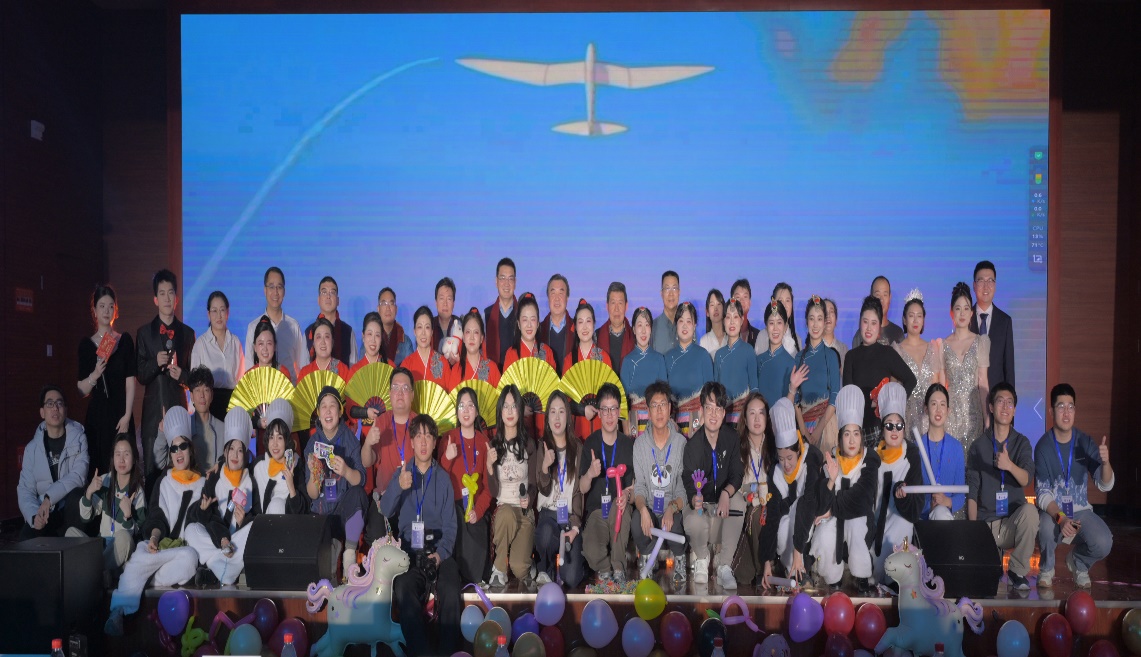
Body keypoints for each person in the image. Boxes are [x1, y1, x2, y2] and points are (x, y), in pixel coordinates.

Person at [105, 407, 203, 636]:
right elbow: (156, 516)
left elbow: (200, 524)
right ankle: (117, 612)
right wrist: (154, 538)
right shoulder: (163, 481)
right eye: (173, 448)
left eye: (182, 446)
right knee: (141, 554)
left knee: (189, 559)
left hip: (182, 551)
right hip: (158, 546)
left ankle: (138, 578)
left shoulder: (203, 483)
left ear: (190, 449)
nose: (178, 453)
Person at [382, 415, 462, 656]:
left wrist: (440, 555)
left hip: (438, 550)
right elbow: (385, 510)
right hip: (409, 551)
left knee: (451, 586)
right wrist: (398, 486)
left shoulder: (444, 479)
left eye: (428, 436)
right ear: (412, 442)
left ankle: (447, 652)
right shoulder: (402, 474)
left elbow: (451, 527)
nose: (424, 442)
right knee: (403, 588)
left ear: (435, 442)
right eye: (419, 436)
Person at [1035, 384, 1114, 589]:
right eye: (1061, 406)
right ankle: (1046, 569)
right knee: (1044, 526)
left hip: (1080, 514)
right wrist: (1061, 518)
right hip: (1055, 514)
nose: (1066, 412)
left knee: (1104, 541)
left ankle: (1078, 563)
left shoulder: (1085, 442)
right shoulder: (1043, 446)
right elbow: (1043, 493)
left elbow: (1104, 484)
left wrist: (1106, 463)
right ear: (1051, 411)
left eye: (1071, 407)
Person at [966, 383, 1036, 591]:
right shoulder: (978, 446)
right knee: (987, 582)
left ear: (1014, 410)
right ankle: (992, 561)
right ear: (990, 407)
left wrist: (1009, 465)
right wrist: (974, 530)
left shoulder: (1022, 443)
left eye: (1010, 403)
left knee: (1031, 512)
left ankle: (1017, 570)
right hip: (987, 524)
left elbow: (1026, 479)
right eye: (1000, 402)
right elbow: (972, 492)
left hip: (1013, 523)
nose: (1005, 407)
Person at [810, 385, 879, 593]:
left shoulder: (869, 460)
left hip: (860, 516)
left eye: (856, 434)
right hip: (833, 517)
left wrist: (833, 507)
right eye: (847, 434)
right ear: (840, 437)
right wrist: (831, 482)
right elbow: (821, 501)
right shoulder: (831, 460)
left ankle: (862, 574)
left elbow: (862, 497)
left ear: (861, 436)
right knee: (824, 534)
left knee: (856, 528)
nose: (851, 440)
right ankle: (833, 577)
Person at [683, 382, 745, 589]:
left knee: (739, 501)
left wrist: (726, 493)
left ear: (724, 413)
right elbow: (688, 481)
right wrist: (694, 498)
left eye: (718, 408)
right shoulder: (692, 445)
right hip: (702, 513)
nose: (713, 414)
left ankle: (724, 565)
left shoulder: (732, 438)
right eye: (709, 407)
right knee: (692, 517)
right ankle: (702, 558)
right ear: (701, 410)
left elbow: (737, 474)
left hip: (722, 512)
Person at [759, 398, 825, 589]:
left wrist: (798, 552)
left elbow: (809, 502)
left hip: (815, 516)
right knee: (782, 526)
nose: (786, 464)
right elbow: (772, 515)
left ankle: (804, 566)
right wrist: (766, 561)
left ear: (798, 450)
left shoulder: (810, 459)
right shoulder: (776, 472)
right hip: (790, 522)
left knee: (801, 508)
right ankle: (791, 569)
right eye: (781, 459)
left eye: (789, 457)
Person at [184, 408, 255, 586]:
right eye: (231, 449)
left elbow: (255, 515)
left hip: (237, 542)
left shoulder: (251, 481)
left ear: (245, 454)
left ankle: (216, 571)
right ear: (225, 452)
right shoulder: (214, 478)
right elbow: (206, 519)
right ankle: (227, 570)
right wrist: (221, 538)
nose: (235, 455)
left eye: (240, 450)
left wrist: (243, 521)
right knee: (191, 530)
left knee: (253, 527)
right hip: (216, 540)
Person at [136, 269, 195, 481]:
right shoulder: (144, 333)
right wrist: (155, 363)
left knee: (181, 472)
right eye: (162, 293)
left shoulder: (187, 334)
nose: (167, 298)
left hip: (178, 409)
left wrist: (182, 376)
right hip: (153, 415)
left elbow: (193, 378)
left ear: (177, 298)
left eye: (171, 293)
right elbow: (140, 375)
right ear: (155, 299)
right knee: (152, 474)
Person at [303, 386, 367, 578]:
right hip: (321, 514)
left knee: (358, 494)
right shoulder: (312, 444)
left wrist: (346, 471)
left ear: (340, 412)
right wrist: (315, 475)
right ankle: (333, 551)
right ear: (318, 413)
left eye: (333, 406)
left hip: (343, 513)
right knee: (322, 569)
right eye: (323, 406)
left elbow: (361, 479)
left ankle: (349, 552)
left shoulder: (350, 440)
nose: (328, 411)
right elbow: (312, 494)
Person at [578, 383, 635, 585]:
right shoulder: (590, 443)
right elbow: (582, 488)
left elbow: (634, 487)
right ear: (599, 413)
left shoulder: (628, 445)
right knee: (591, 551)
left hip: (619, 507)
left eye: (613, 409)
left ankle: (619, 568)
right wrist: (590, 474)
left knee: (621, 509)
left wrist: (627, 495)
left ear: (619, 411)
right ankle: (605, 568)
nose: (610, 415)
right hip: (597, 511)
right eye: (605, 409)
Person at [842, 295, 917, 448]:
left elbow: (911, 380)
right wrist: (869, 400)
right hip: (857, 431)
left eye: (874, 323)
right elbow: (849, 396)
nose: (869, 328)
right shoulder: (851, 356)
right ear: (860, 323)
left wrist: (893, 404)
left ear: (879, 326)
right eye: (865, 322)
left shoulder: (887, 353)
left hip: (882, 432)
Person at [632, 381, 688, 583]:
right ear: (647, 411)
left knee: (677, 523)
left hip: (671, 510)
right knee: (636, 522)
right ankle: (648, 556)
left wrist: (671, 509)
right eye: (654, 406)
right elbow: (639, 487)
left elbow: (683, 489)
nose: (659, 411)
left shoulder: (681, 443)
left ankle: (679, 558)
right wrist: (642, 509)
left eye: (663, 404)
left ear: (670, 408)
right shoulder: (639, 445)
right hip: (650, 508)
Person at [71, 433, 146, 581]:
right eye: (118, 454)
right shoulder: (105, 480)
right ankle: (104, 572)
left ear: (134, 459)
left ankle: (93, 572)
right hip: (101, 544)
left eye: (126, 454)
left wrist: (128, 515)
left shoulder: (137, 491)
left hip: (120, 547)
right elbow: (85, 517)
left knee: (124, 538)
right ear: (113, 458)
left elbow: (136, 531)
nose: (122, 459)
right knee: (71, 533)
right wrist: (89, 493)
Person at [78, 284, 136, 475]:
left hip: (121, 413)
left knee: (124, 467)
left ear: (115, 311)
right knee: (100, 467)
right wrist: (95, 374)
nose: (106, 311)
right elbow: (81, 389)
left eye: (111, 306)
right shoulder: (87, 345)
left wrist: (127, 415)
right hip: (98, 416)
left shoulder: (124, 341)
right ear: (94, 311)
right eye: (102, 306)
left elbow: (130, 381)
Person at [870, 382, 924, 584]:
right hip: (873, 527)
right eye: (889, 425)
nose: (894, 430)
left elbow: (915, 510)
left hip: (900, 523)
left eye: (899, 425)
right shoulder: (872, 457)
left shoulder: (912, 455)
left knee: (903, 524)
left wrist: (903, 498)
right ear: (882, 428)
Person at [18, 385, 89, 539]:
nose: (55, 408)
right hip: (45, 512)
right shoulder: (32, 449)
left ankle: (74, 546)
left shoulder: (79, 438)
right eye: (50, 404)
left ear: (66, 410)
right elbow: (25, 490)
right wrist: (34, 517)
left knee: (77, 495)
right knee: (24, 540)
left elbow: (79, 476)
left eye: (59, 403)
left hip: (70, 511)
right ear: (42, 412)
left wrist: (49, 498)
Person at [439, 387, 493, 585]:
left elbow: (488, 488)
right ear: (456, 412)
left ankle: (474, 577)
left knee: (475, 526)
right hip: (451, 506)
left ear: (477, 411)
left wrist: (478, 511)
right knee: (456, 523)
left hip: (476, 506)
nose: (466, 410)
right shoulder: (448, 439)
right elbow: (437, 481)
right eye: (461, 406)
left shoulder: (484, 442)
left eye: (471, 405)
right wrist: (447, 459)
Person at [533, 391, 587, 587]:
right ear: (547, 418)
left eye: (561, 411)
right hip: (548, 515)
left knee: (572, 578)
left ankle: (579, 564)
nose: (557, 417)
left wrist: (575, 527)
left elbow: (578, 492)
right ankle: (543, 567)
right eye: (553, 412)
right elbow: (543, 490)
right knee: (546, 533)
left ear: (568, 417)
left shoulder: (578, 448)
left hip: (569, 517)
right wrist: (545, 468)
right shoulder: (542, 446)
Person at [486, 385, 537, 588]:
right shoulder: (494, 445)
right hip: (504, 511)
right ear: (500, 411)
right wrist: (489, 467)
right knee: (506, 513)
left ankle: (526, 562)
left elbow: (533, 483)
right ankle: (498, 569)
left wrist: (529, 498)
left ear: (520, 410)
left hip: (523, 512)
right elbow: (493, 492)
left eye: (514, 406)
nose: (509, 411)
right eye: (505, 406)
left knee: (519, 569)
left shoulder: (529, 444)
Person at [361, 367, 418, 544]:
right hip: (384, 498)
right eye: (395, 387)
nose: (400, 393)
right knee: (377, 542)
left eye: (405, 388)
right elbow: (366, 461)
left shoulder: (419, 424)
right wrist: (368, 443)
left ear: (412, 395)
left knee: (415, 544)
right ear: (389, 393)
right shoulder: (382, 421)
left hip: (412, 499)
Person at [730, 392, 773, 587]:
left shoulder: (774, 447)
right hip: (748, 508)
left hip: (772, 504)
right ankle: (763, 567)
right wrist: (750, 493)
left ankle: (764, 567)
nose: (757, 419)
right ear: (745, 419)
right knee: (743, 576)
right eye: (752, 413)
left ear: (767, 417)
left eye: (761, 413)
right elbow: (735, 484)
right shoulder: (737, 447)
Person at [943, 282, 990, 454]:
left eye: (966, 308)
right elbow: (941, 384)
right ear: (951, 312)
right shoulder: (943, 345)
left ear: (972, 313)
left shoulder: (980, 342)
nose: (962, 313)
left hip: (973, 416)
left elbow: (983, 382)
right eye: (958, 308)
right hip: (951, 417)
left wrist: (987, 417)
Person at [893, 290, 944, 436]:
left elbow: (936, 385)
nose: (915, 321)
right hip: (905, 419)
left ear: (924, 320)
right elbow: (894, 389)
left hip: (929, 419)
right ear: (904, 320)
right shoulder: (896, 350)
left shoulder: (932, 348)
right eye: (911, 316)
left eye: (919, 316)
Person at [154, 366, 224, 471]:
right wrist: (162, 433)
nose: (202, 396)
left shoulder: (223, 429)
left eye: (206, 390)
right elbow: (160, 463)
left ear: (212, 395)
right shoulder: (182, 427)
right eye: (197, 390)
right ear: (191, 396)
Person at [243, 267, 308, 380]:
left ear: (284, 291)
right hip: (261, 388)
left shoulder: (293, 326)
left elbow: (301, 365)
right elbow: (249, 366)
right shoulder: (253, 327)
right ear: (265, 290)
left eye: (279, 287)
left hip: (289, 388)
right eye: (271, 287)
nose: (276, 292)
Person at [795, 296, 841, 455]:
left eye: (820, 319)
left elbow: (834, 395)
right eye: (812, 319)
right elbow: (795, 399)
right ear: (806, 322)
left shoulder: (831, 356)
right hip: (803, 427)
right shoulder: (799, 357)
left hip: (827, 426)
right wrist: (804, 431)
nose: (815, 324)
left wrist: (818, 429)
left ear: (825, 322)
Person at [191, 290, 245, 419]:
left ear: (228, 313)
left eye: (222, 310)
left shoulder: (235, 342)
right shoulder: (201, 344)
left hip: (232, 404)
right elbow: (194, 382)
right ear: (208, 314)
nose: (219, 316)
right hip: (208, 405)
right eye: (214, 311)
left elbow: (241, 379)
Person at [665, 302, 713, 438]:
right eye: (681, 321)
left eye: (689, 321)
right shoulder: (668, 358)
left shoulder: (703, 356)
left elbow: (710, 396)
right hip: (673, 425)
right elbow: (664, 396)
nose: (685, 326)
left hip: (699, 423)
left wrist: (703, 423)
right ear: (676, 325)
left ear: (695, 325)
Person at [565, 299, 610, 439]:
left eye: (588, 321)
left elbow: (610, 396)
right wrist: (582, 409)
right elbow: (565, 399)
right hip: (576, 430)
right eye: (580, 322)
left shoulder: (604, 358)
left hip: (600, 428)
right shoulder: (569, 360)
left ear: (594, 324)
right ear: (575, 326)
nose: (584, 327)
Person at [918, 384, 965, 520]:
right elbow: (913, 497)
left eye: (942, 404)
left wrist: (947, 501)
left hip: (946, 518)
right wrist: (929, 505)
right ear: (926, 409)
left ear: (948, 410)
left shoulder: (956, 447)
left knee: (941, 514)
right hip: (921, 520)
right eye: (934, 404)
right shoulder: (917, 448)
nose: (938, 410)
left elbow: (961, 495)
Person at [620, 307, 667, 437]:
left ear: (651, 329)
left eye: (647, 325)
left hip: (656, 421)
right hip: (634, 424)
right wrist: (626, 431)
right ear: (634, 330)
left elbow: (664, 397)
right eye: (639, 325)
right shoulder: (627, 361)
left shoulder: (659, 359)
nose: (643, 330)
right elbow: (623, 402)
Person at [251, 414, 306, 516]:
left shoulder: (296, 465)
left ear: (286, 441)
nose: (275, 444)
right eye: (271, 437)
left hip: (288, 524)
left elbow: (301, 511)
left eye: (280, 438)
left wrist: (291, 486)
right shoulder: (259, 465)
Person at [970, 261, 1015, 388]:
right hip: (970, 394)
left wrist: (1010, 396)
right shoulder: (965, 319)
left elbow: (1008, 366)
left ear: (995, 285)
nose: (986, 286)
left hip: (997, 395)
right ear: (974, 285)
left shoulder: (1005, 321)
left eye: (990, 281)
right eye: (981, 281)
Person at [713, 299, 759, 424]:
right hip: (722, 419)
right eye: (728, 317)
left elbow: (754, 388)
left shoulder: (748, 350)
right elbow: (716, 392)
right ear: (723, 321)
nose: (732, 322)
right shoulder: (719, 355)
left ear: (742, 320)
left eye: (736, 317)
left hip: (743, 419)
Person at [756, 299, 805, 409]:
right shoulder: (758, 361)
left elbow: (793, 405)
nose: (775, 329)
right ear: (766, 326)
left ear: (785, 326)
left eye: (779, 323)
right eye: (771, 323)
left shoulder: (792, 364)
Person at [401, 305, 459, 391]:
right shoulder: (406, 364)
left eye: (427, 327)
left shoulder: (443, 363)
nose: (423, 333)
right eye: (420, 327)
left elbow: (450, 395)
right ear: (414, 331)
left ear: (432, 331)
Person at [304, 276, 358, 365]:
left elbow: (353, 368)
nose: (328, 296)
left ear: (338, 300)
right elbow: (303, 367)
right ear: (318, 300)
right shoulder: (308, 332)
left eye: (332, 292)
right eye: (324, 292)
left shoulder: (348, 331)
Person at [503, 293, 559, 371]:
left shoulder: (547, 351)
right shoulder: (511, 354)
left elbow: (552, 378)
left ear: (538, 323)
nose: (529, 325)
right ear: (518, 324)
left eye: (533, 319)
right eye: (525, 320)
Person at [484, 257, 519, 369]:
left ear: (515, 282)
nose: (506, 284)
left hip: (518, 374)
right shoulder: (486, 315)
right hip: (493, 375)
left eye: (510, 279)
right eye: (502, 278)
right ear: (496, 281)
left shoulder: (522, 315)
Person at [849, 276, 904, 347]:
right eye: (877, 295)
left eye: (885, 295)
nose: (881, 299)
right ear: (871, 296)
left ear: (890, 298)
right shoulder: (861, 335)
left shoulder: (898, 333)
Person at [455, 308, 502, 387]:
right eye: (468, 332)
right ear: (463, 337)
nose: (472, 337)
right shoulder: (456, 370)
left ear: (481, 338)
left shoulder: (492, 368)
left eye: (476, 332)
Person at [298, 316, 351, 381]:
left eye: (327, 337)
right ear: (313, 343)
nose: (323, 342)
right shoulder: (305, 373)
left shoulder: (343, 370)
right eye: (318, 337)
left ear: (332, 342)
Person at [540, 274, 574, 375]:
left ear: (567, 298)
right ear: (548, 298)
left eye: (561, 293)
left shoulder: (578, 330)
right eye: (553, 293)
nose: (557, 298)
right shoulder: (538, 331)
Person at [599, 282, 635, 375]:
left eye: (620, 303)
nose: (616, 309)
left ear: (626, 306)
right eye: (613, 303)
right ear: (607, 306)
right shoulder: (596, 337)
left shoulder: (635, 337)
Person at [245, 316, 295, 381]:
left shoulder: (283, 373)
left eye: (269, 343)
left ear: (275, 346)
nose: (265, 349)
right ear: (255, 347)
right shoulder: (248, 376)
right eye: (261, 344)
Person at [377, 287, 414, 365]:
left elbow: (410, 369)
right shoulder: (370, 340)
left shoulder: (406, 342)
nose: (388, 308)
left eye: (391, 303)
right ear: (378, 309)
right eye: (384, 304)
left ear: (396, 309)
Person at [652, 271, 681, 354]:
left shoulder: (688, 326)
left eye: (674, 288)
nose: (671, 294)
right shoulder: (653, 327)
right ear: (661, 294)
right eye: (667, 288)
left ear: (679, 292)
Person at [433, 277, 462, 357]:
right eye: (441, 298)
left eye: (449, 299)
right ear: (436, 302)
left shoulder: (461, 326)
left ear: (453, 303)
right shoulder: (429, 326)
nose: (445, 304)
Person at [770, 283, 800, 356]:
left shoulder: (797, 339)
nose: (784, 305)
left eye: (787, 300)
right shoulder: (763, 336)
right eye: (780, 300)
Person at [730, 279, 762, 347]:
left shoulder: (758, 336)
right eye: (738, 297)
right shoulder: (725, 335)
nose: (741, 300)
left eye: (745, 297)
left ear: (750, 302)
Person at [699, 289, 727, 360]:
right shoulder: (704, 341)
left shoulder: (730, 337)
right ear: (707, 312)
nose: (716, 309)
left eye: (719, 304)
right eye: (712, 305)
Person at [822, 298, 849, 370]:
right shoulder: (811, 348)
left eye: (831, 311)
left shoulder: (844, 349)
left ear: (836, 320)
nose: (828, 315)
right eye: (824, 311)